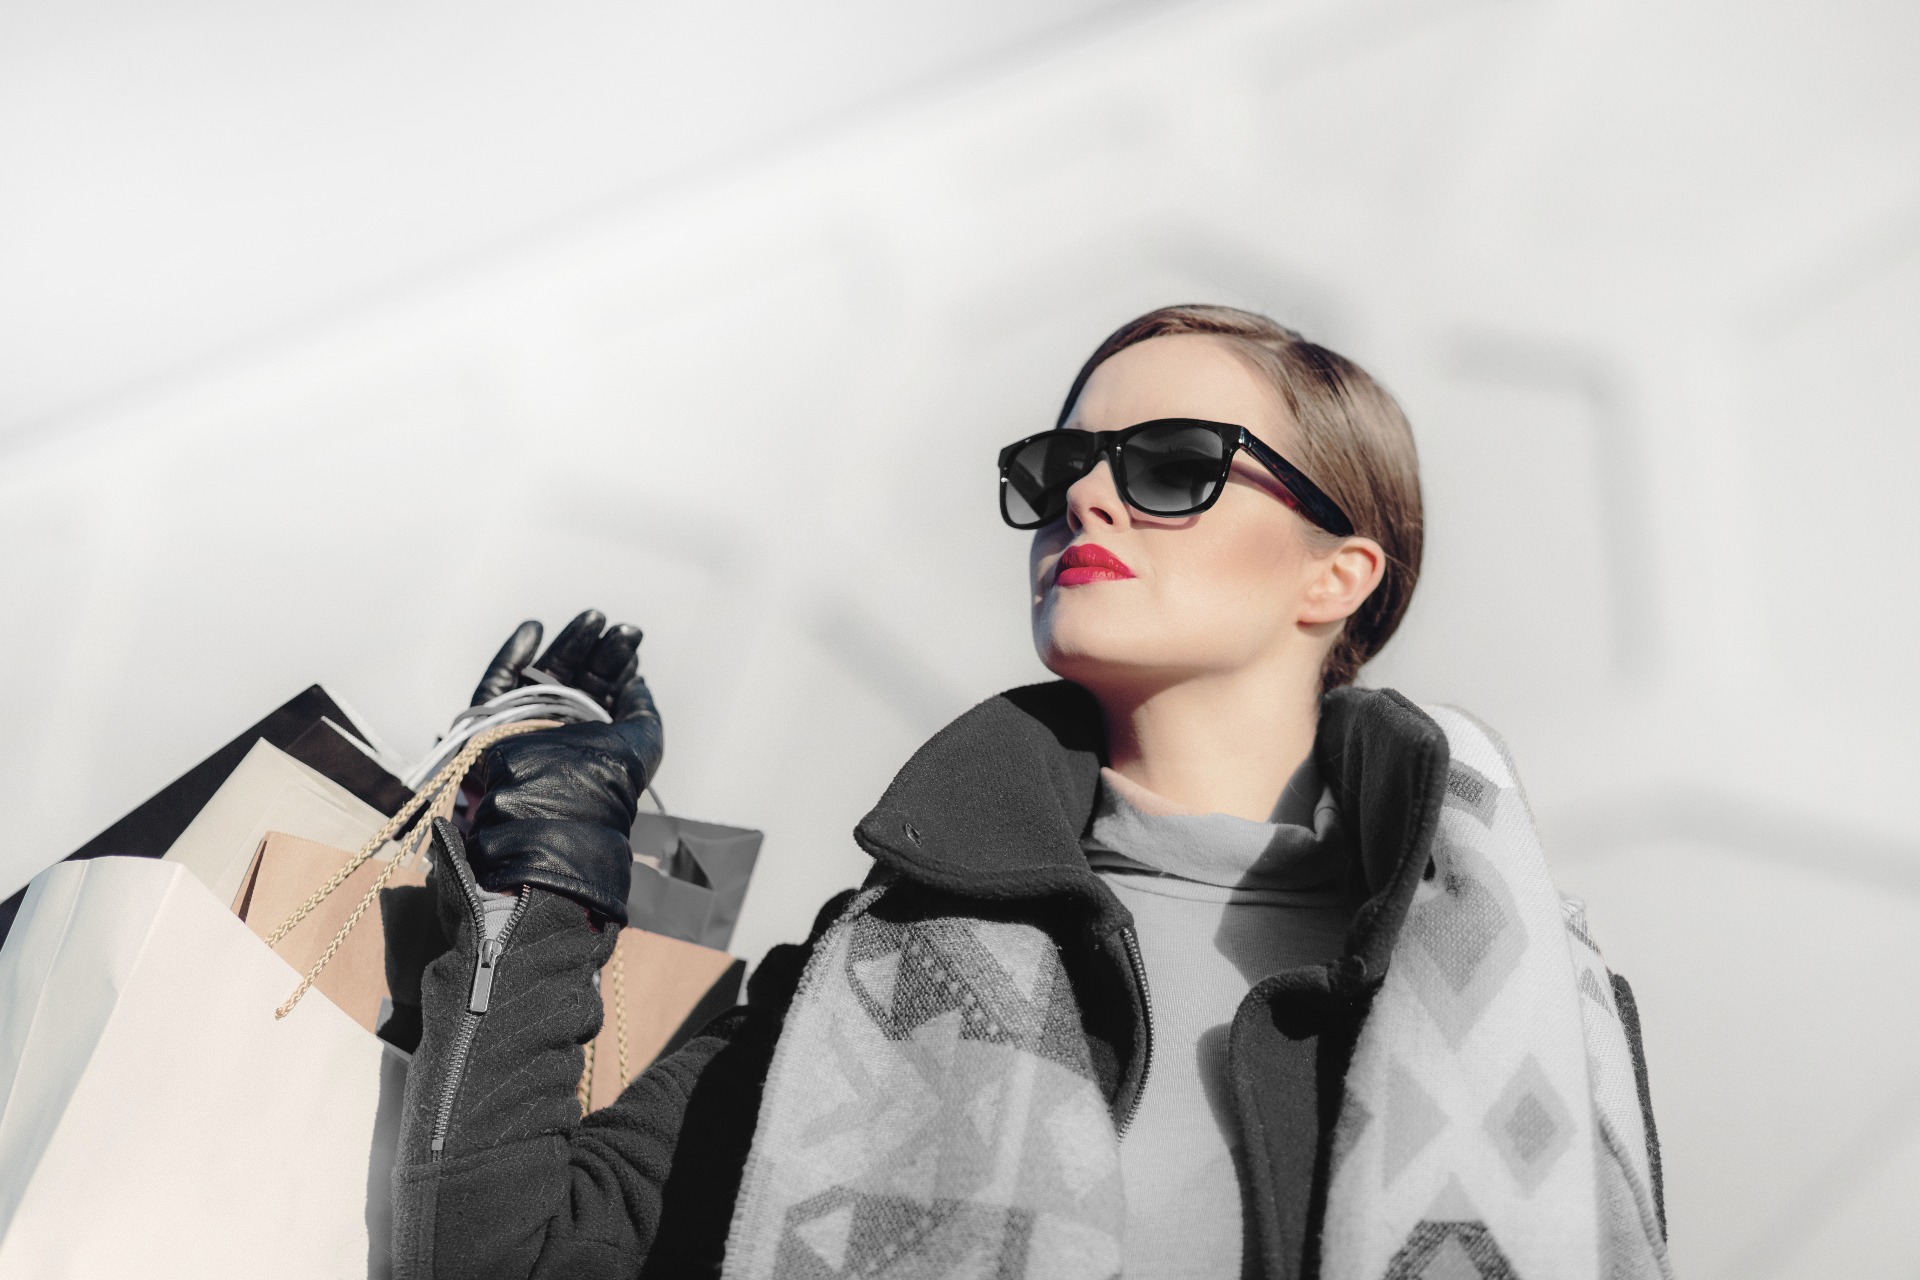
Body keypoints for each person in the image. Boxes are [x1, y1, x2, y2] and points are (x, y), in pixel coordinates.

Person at [389, 306, 1670, 1280]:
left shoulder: (1520, 998)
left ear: (1335, 574)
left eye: (1173, 463)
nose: (1087, 496)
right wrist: (549, 857)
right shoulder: (874, 963)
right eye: (1063, 465)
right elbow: (503, 1252)